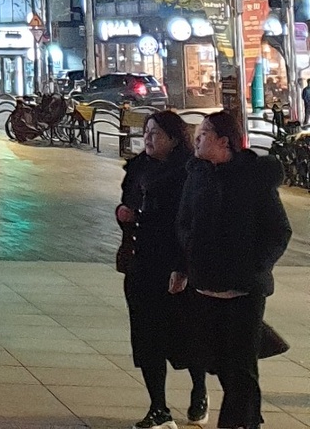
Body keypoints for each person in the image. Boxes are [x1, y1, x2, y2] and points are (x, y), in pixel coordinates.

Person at [174, 110, 292, 429]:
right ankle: (248, 417)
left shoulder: (253, 178)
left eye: (204, 134)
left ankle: (239, 423)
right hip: (204, 285)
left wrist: (255, 266)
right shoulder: (197, 174)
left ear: (223, 142)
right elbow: (184, 222)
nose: (196, 139)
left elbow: (279, 230)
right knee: (218, 363)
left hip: (243, 289)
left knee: (241, 365)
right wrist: (186, 262)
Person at [118, 110, 208, 428]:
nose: (148, 138)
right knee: (146, 337)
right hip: (142, 262)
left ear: (173, 138)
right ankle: (159, 408)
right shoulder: (139, 168)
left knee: (185, 335)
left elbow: (193, 223)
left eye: (155, 133)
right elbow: (127, 202)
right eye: (147, 132)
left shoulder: (188, 171)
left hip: (177, 264)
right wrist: (124, 213)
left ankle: (199, 391)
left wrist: (182, 267)